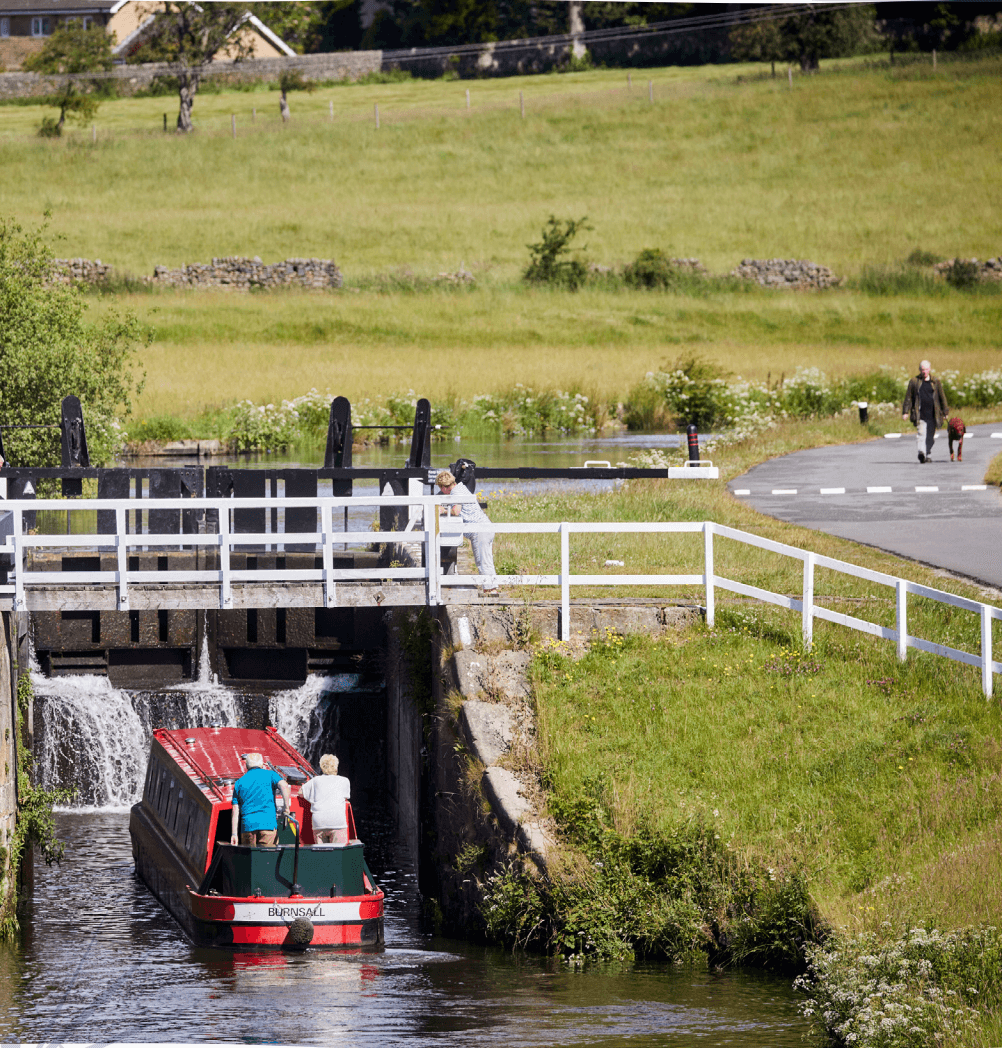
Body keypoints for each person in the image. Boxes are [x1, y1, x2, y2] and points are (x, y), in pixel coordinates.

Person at [436, 469, 497, 595]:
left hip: (479, 530)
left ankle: (491, 590)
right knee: (486, 559)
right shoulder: (461, 488)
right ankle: (490, 588)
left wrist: (443, 510)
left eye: (440, 488)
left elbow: (456, 511)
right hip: (485, 527)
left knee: (482, 560)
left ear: (443, 487)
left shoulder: (455, 493)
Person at [229, 752, 290, 848]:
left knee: (249, 860)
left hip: (247, 827)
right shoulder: (270, 775)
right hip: (267, 824)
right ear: (262, 764)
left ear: (246, 766)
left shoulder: (239, 783)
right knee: (268, 859)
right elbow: (284, 785)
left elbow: (235, 810)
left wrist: (234, 834)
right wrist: (286, 808)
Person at [902, 360, 948, 464]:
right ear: (919, 370)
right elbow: (908, 397)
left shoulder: (935, 381)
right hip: (920, 414)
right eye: (922, 369)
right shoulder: (914, 381)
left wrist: (945, 412)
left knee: (930, 437)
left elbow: (942, 397)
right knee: (921, 434)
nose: (924, 372)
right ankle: (921, 453)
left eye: (926, 369)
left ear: (930, 369)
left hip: (933, 414)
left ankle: (928, 454)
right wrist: (905, 412)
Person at [301, 754, 352, 844]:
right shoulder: (344, 781)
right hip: (337, 822)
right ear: (336, 767)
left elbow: (301, 792)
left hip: (319, 823)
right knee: (338, 854)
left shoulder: (315, 780)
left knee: (322, 855)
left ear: (322, 767)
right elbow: (345, 796)